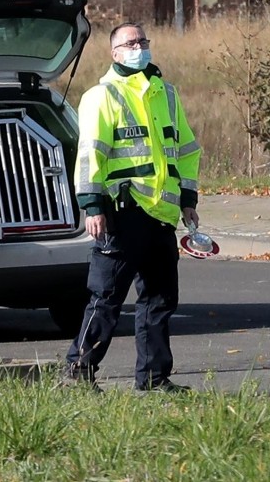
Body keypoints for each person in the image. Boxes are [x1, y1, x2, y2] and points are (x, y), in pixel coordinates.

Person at [62, 22, 202, 393]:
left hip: (161, 214)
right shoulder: (102, 95)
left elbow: (186, 152)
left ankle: (155, 379)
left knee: (159, 300)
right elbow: (90, 154)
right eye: (130, 42)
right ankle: (78, 373)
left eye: (143, 40)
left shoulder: (165, 94)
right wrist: (93, 206)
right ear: (115, 53)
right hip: (122, 210)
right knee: (106, 297)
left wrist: (187, 201)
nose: (139, 46)